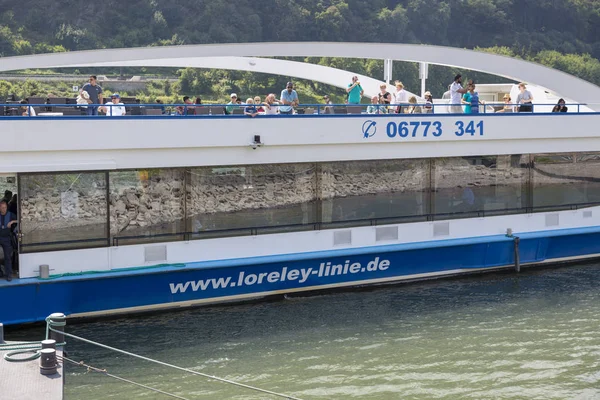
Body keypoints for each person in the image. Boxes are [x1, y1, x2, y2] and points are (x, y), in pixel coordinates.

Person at [0, 200, 17, 281]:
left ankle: (9, 274)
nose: (4, 209)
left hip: (6, 238)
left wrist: (12, 221)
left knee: (7, 257)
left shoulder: (10, 214)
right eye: (2, 208)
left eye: (5, 207)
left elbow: (19, 220)